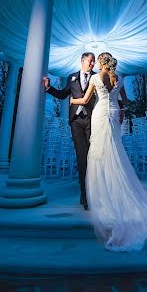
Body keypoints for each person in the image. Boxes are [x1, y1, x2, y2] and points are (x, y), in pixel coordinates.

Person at [70, 52, 147, 252]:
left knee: (99, 154)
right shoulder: (118, 79)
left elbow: (86, 99)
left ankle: (104, 198)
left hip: (100, 114)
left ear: (101, 63)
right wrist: (120, 110)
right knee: (114, 152)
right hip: (112, 115)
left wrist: (72, 101)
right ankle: (116, 193)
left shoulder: (96, 78)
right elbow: (126, 102)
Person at [43, 52, 98, 210]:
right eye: (90, 61)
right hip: (76, 121)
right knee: (81, 156)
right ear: (82, 61)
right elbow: (62, 95)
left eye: (94, 62)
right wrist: (48, 88)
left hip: (91, 120)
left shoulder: (96, 77)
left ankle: (94, 192)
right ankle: (84, 195)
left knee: (92, 156)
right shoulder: (71, 77)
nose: (93, 64)